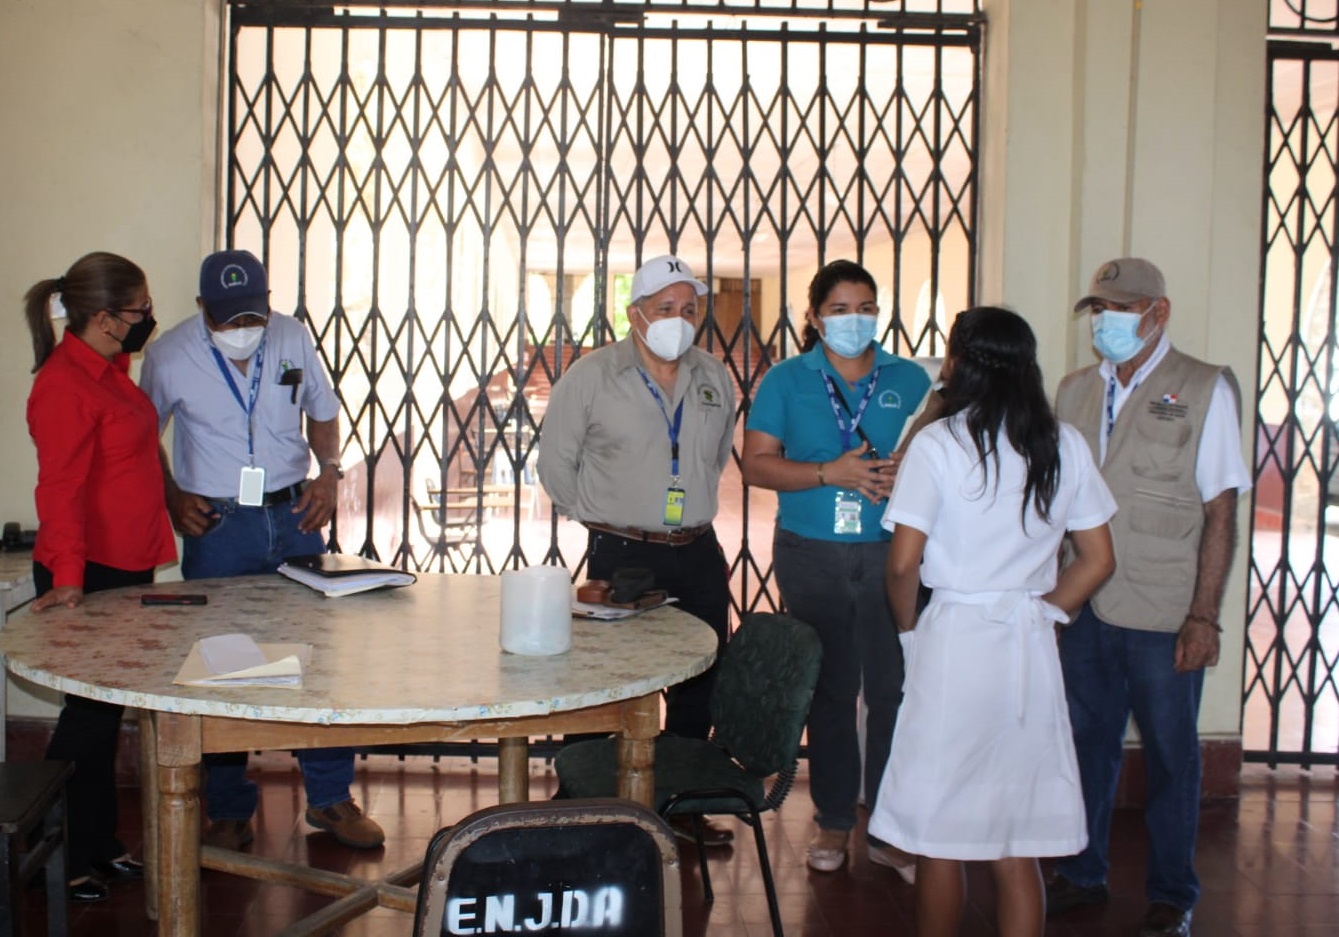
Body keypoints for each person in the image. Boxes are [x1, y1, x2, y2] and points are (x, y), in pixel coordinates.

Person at [871, 306, 1117, 936]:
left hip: (954, 635)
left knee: (941, 833)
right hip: (1026, 646)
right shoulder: (1063, 443)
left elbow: (903, 565)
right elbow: (1098, 559)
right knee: (1018, 835)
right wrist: (1047, 615)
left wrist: (908, 633)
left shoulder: (939, 443)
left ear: (958, 363)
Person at [139, 249, 384, 852]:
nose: (244, 329)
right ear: (202, 310)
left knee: (315, 659)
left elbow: (323, 414)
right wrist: (171, 494)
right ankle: (227, 808)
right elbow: (142, 436)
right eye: (228, 320)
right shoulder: (169, 355)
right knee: (220, 664)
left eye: (254, 314)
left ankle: (329, 799)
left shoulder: (292, 338)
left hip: (296, 515)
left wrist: (329, 472)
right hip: (219, 526)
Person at [1048, 258, 1251, 937]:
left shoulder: (1201, 387)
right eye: (1098, 308)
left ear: (1156, 312)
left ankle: (1171, 891)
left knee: (1170, 754)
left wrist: (1203, 616)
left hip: (1164, 614)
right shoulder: (1073, 390)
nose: (1105, 321)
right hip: (1085, 607)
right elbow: (1052, 504)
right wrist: (1050, 599)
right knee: (1086, 744)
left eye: (1120, 307)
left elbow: (1219, 512)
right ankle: (1081, 871)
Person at [536, 254, 737, 846]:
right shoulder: (592, 377)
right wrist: (607, 519)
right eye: (665, 308)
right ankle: (584, 801)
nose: (679, 319)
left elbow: (716, 454)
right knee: (610, 679)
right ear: (635, 314)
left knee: (699, 677)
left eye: (689, 309)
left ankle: (679, 804)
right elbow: (555, 462)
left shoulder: (712, 377)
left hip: (697, 550)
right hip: (623, 554)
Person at [741, 259, 930, 877]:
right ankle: (833, 819)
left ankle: (890, 818)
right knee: (831, 687)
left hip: (892, 553)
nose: (856, 320)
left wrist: (911, 471)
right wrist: (831, 472)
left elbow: (943, 457)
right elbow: (757, 466)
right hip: (811, 553)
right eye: (841, 309)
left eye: (867, 307)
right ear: (815, 318)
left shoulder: (910, 378)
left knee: (891, 687)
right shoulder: (787, 381)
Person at [23, 251, 177, 902]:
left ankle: (101, 843)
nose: (150, 317)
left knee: (104, 715)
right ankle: (60, 854)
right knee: (84, 720)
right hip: (87, 572)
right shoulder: (63, 385)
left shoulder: (111, 373)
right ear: (109, 317)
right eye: (141, 308)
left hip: (125, 563)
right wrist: (66, 581)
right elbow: (58, 490)